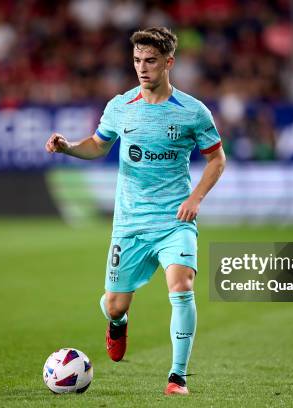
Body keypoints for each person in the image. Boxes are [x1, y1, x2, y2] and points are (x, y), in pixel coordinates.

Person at [45, 27, 226, 395]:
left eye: (151, 61)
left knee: (182, 285)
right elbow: (98, 145)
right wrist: (68, 148)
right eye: (137, 60)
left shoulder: (193, 111)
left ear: (169, 63)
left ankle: (178, 377)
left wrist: (195, 200)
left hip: (175, 221)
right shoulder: (119, 105)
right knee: (113, 305)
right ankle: (118, 322)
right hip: (129, 223)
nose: (142, 68)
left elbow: (217, 160)